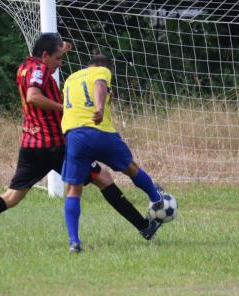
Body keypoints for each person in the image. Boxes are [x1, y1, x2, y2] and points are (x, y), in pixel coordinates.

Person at [0, 34, 158, 255]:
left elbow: (41, 71)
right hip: (54, 145)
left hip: (31, 144)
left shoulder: (25, 67)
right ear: (45, 56)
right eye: (58, 58)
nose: (60, 63)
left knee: (11, 196)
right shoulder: (39, 71)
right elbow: (33, 96)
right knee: (103, 179)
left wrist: (63, 48)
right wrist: (64, 108)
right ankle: (144, 227)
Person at [60, 54, 165, 252]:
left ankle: (74, 241)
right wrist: (100, 107)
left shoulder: (70, 79)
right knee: (130, 168)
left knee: (73, 189)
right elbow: (100, 84)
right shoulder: (102, 71)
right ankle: (156, 197)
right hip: (100, 131)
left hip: (74, 136)